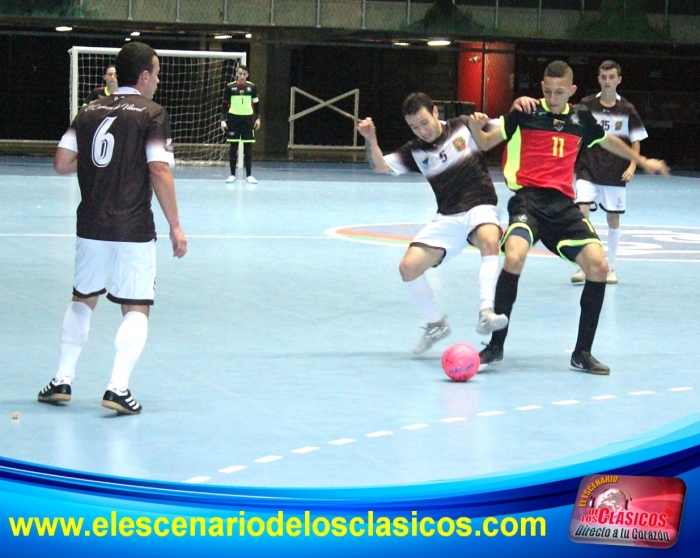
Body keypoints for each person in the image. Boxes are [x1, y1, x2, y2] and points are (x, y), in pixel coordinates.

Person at [466, 60, 668, 375]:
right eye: (548, 90)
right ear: (542, 88)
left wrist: (641, 160)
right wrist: (477, 126)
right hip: (528, 201)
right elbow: (486, 142)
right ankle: (495, 346)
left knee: (598, 266)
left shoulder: (581, 117)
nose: (553, 95)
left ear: (572, 90)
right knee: (514, 257)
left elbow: (609, 141)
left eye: (560, 91)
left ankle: (582, 353)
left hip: (563, 205)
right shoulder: (525, 111)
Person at [38, 42, 187, 414]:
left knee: (82, 297)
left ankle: (62, 379)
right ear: (143, 76)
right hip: (132, 226)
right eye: (156, 73)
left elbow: (61, 162)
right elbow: (158, 170)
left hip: (90, 224)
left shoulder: (87, 111)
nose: (157, 81)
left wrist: (99, 167)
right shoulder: (151, 113)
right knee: (136, 305)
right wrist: (176, 226)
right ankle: (117, 388)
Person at [357, 92, 508, 355]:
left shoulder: (463, 125)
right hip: (447, 217)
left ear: (436, 112)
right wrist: (371, 139)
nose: (422, 130)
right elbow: (379, 166)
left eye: (424, 122)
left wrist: (489, 119)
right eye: (414, 126)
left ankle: (486, 311)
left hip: (480, 205)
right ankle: (435, 323)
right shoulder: (414, 151)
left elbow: (508, 125)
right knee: (408, 267)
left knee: (489, 240)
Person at [570, 60, 648, 285]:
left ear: (618, 80)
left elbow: (636, 140)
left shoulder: (627, 109)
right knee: (582, 214)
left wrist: (632, 165)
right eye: (603, 77)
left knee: (613, 219)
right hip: (587, 169)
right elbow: (575, 134)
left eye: (611, 77)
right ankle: (584, 267)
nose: (607, 81)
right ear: (598, 79)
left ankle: (611, 267)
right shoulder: (585, 105)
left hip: (615, 172)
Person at [221, 65, 261, 184]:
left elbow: (257, 105)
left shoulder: (252, 87)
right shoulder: (230, 87)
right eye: (240, 74)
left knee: (248, 149)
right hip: (233, 120)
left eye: (244, 74)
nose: (242, 76)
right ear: (237, 74)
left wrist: (258, 118)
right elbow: (224, 106)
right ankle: (232, 175)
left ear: (247, 75)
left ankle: (249, 175)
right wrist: (222, 120)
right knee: (233, 148)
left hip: (248, 120)